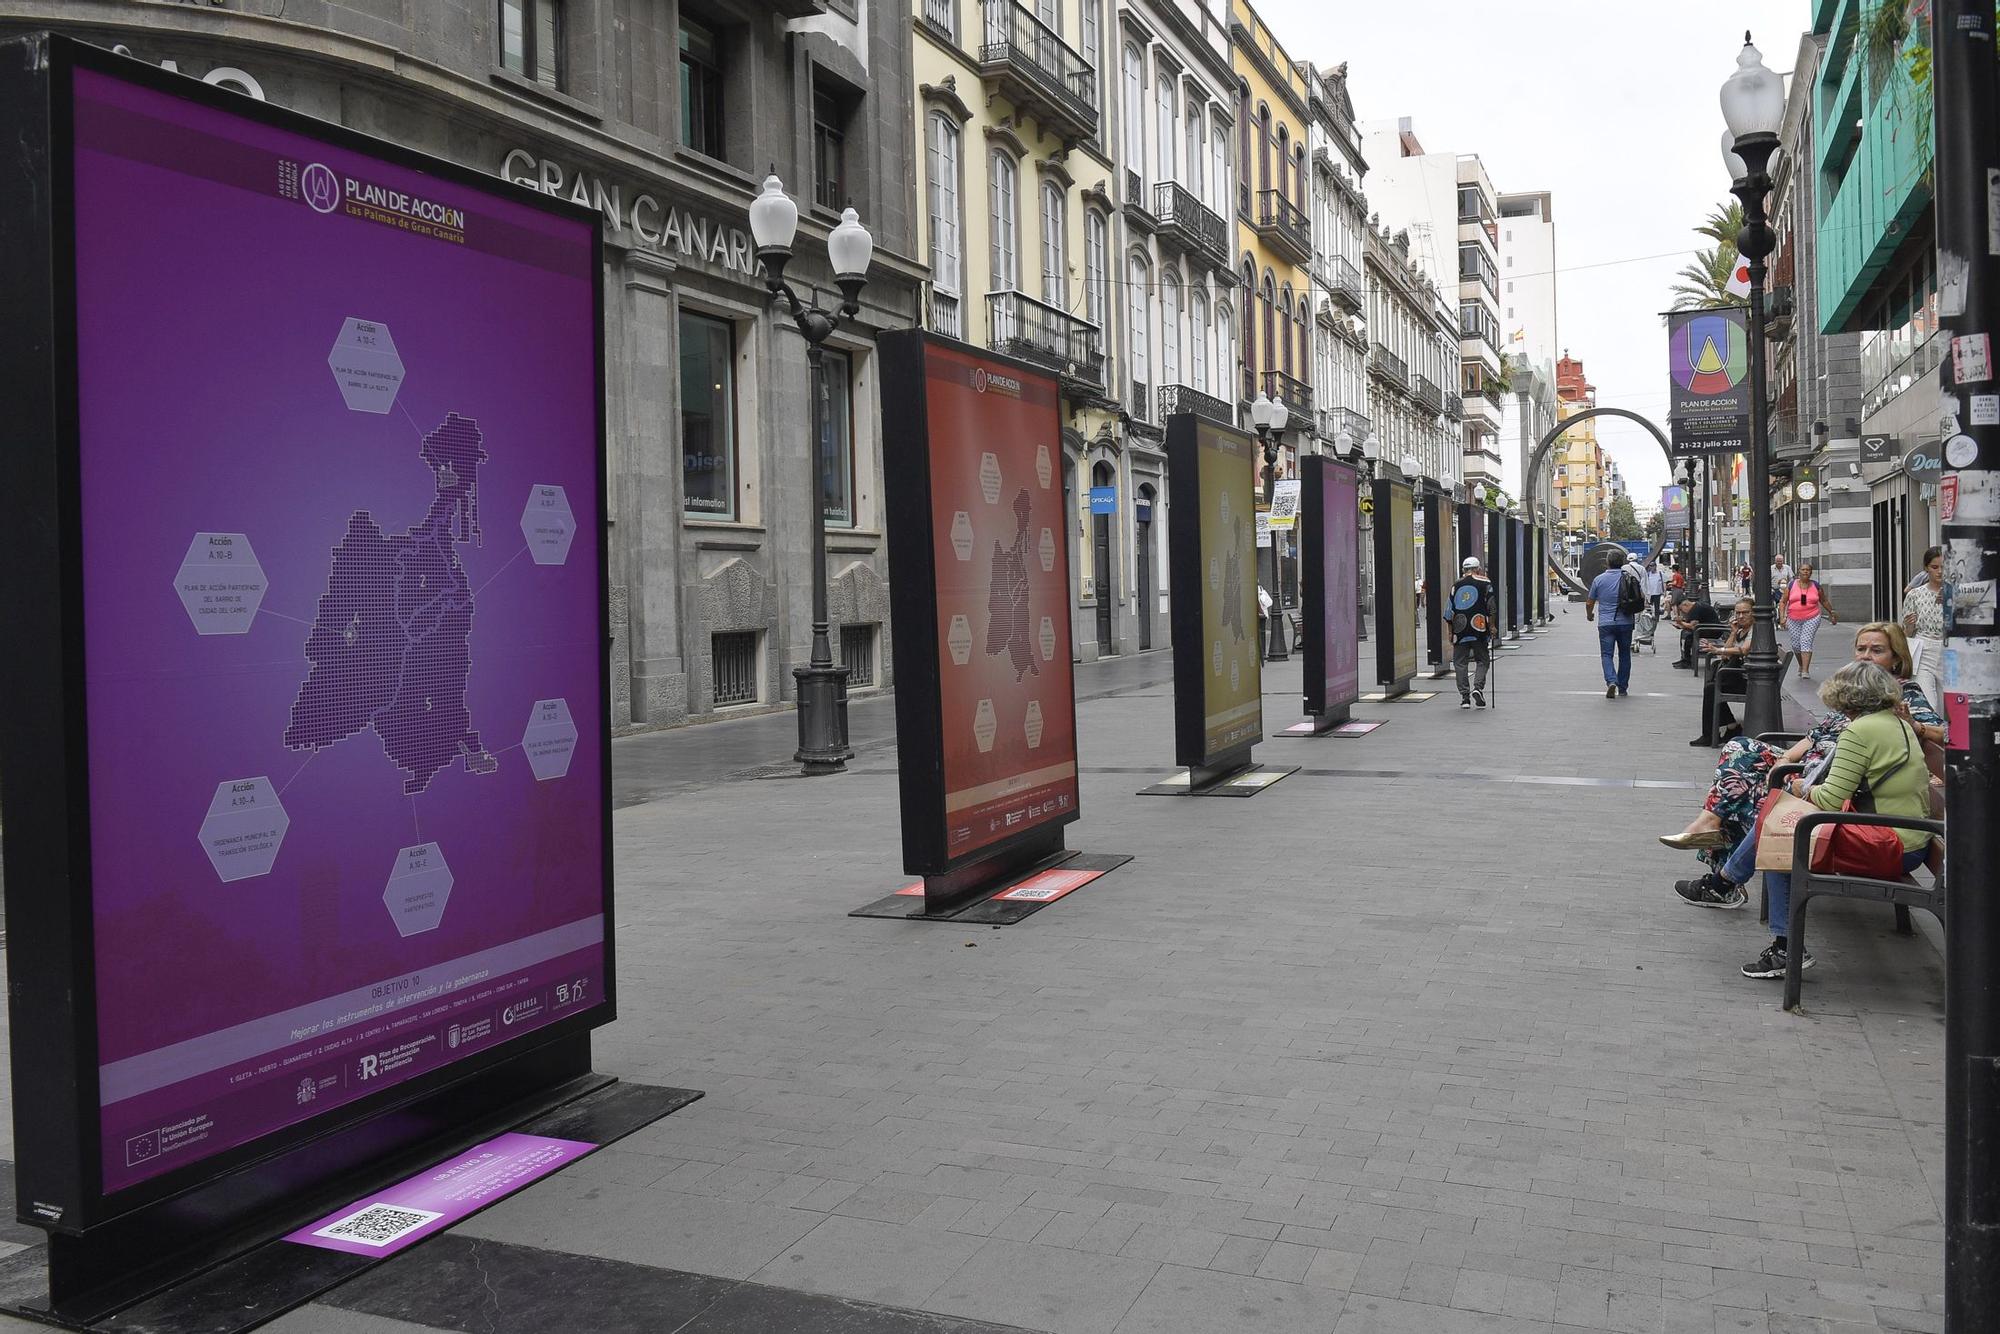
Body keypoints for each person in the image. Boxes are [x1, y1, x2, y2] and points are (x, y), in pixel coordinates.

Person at [1663, 622, 1943, 901]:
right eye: (1861, 649)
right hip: (1810, 771)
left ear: (1897, 657)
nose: (1866, 655)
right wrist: (1784, 757)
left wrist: (1916, 727)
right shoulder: (1856, 688)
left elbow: (1946, 734)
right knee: (1740, 749)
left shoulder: (1900, 695)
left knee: (1753, 802)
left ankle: (1722, 877)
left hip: (1831, 784)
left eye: (1877, 650)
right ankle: (1712, 835)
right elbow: (1814, 736)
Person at [1694, 663, 1934, 979]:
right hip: (1907, 838)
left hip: (1890, 845)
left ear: (1847, 698)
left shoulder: (1860, 731)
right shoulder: (1895, 723)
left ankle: (1779, 939)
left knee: (1782, 840)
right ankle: (1727, 885)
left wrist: (1796, 787)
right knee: (1778, 824)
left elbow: (1831, 800)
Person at [1691, 597, 1754, 745]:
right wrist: (1733, 633)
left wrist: (1718, 649)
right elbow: (1726, 655)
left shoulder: (1756, 629)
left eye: (1745, 613)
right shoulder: (1740, 630)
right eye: (1737, 613)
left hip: (1750, 680)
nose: (1740, 616)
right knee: (1712, 686)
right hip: (1738, 674)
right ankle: (1730, 726)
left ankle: (1710, 734)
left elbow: (1744, 650)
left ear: (1754, 613)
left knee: (1711, 689)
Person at [1585, 548, 1639, 698]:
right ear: (1622, 562)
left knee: (1607, 655)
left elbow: (1589, 602)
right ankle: (1622, 687)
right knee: (1624, 655)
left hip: (1606, 623)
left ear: (1607, 562)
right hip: (1626, 622)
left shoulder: (1599, 579)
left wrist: (1590, 615)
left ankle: (1611, 681)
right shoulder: (1628, 577)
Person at [1446, 555, 1498, 709]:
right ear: (1477, 569)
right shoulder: (1485, 582)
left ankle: (1465, 698)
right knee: (1483, 660)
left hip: (1460, 629)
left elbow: (1449, 611)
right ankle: (1478, 687)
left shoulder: (1456, 585)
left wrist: (1450, 632)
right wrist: (1492, 626)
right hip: (1479, 627)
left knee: (1460, 662)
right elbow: (1491, 606)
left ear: (1464, 570)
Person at [1900, 545, 1947, 712]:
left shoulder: (1957, 593)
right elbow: (1907, 633)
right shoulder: (1915, 594)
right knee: (1928, 703)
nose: (1940, 572)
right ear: (1926, 568)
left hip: (1950, 651)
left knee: (1948, 704)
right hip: (1923, 648)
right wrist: (1909, 625)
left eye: (1944, 567)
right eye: (1935, 567)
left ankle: (1942, 736)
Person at [1782, 561, 1837, 677]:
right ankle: (1801, 665)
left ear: (1811, 572)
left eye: (1808, 570)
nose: (1805, 572)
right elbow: (1783, 602)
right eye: (1803, 569)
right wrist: (1782, 617)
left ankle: (1805, 670)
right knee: (1796, 645)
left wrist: (1831, 612)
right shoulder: (1791, 585)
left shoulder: (1816, 586)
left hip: (1812, 617)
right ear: (1799, 571)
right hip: (1793, 618)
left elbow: (1824, 600)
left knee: (1805, 641)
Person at [1669, 594, 1722, 668]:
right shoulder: (1694, 607)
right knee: (1684, 633)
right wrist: (1682, 625)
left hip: (1713, 630)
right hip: (1706, 628)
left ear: (1685, 605)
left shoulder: (1696, 609)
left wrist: (1681, 623)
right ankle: (1684, 658)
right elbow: (1692, 625)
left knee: (1688, 636)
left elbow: (1693, 626)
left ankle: (1687, 661)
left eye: (1681, 609)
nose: (1682, 612)